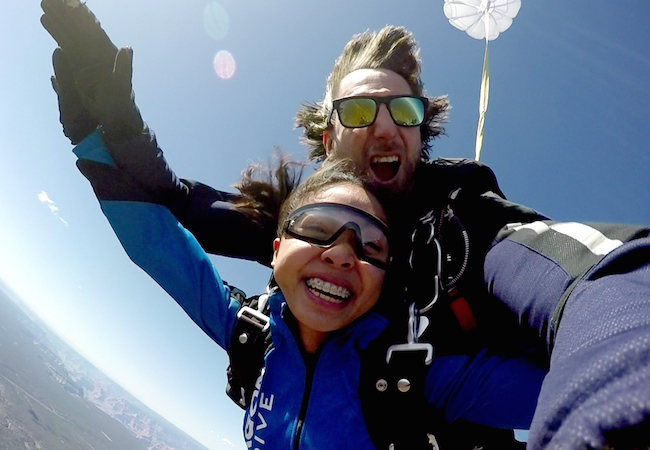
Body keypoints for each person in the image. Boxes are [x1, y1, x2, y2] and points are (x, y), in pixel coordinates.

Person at [41, 0, 650, 448]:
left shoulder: (467, 236)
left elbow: (602, 279)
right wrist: (106, 126)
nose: (339, 253)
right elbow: (168, 218)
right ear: (328, 136)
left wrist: (613, 403)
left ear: (420, 133)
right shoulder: (267, 311)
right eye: (360, 109)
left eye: (404, 110)